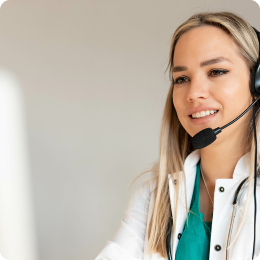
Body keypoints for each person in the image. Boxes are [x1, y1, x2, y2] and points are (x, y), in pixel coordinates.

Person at [94, 11, 260, 260]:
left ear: (257, 84)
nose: (193, 93)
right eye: (181, 78)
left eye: (216, 71)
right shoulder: (154, 196)